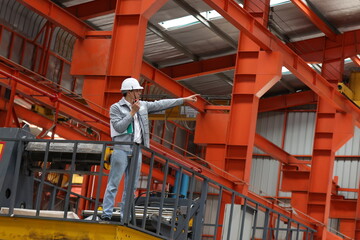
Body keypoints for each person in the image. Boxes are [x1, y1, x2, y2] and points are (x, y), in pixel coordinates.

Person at [101, 77, 199, 221]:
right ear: (129, 92)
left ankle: (125, 217)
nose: (140, 93)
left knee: (131, 187)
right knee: (113, 183)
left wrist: (183, 100)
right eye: (137, 91)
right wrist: (132, 113)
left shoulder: (143, 105)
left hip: (137, 150)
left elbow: (161, 104)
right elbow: (119, 127)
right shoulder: (116, 108)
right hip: (121, 148)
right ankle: (106, 214)